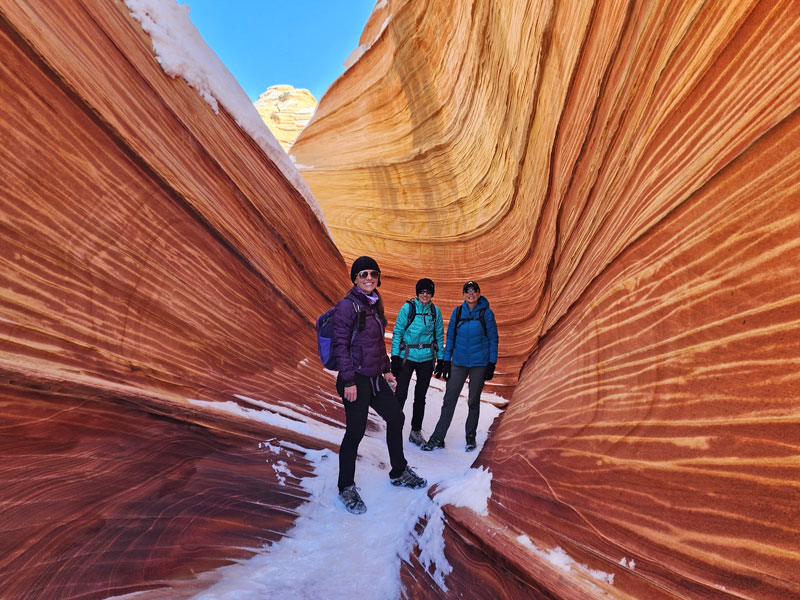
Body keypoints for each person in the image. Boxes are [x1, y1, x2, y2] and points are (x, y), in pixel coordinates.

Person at [332, 256, 427, 514]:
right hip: (356, 380)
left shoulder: (374, 305)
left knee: (396, 418)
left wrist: (386, 370)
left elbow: (376, 344)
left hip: (375, 378)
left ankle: (398, 472)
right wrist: (349, 380)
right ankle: (346, 487)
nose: (369, 278)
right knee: (355, 433)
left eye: (373, 274)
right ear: (355, 278)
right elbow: (340, 346)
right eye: (363, 274)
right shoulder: (346, 307)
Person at [422, 280, 498, 452]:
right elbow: (451, 339)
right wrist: (446, 361)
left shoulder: (486, 313)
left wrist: (491, 363)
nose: (471, 294)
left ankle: (470, 438)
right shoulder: (457, 312)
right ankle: (437, 438)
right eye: (467, 291)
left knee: (473, 401)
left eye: (474, 291)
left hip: (479, 363)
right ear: (463, 294)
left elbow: (493, 338)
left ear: (478, 293)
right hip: (459, 362)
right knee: (449, 400)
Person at [390, 278, 445, 446]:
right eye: (422, 291)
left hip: (427, 359)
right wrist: (395, 357)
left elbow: (439, 336)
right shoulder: (408, 308)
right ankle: (394, 427)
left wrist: (441, 359)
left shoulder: (435, 312)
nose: (425, 295)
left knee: (420, 396)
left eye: (428, 292)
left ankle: (415, 431)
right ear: (417, 293)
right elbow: (398, 331)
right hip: (407, 356)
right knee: (401, 393)